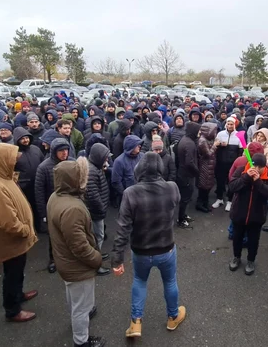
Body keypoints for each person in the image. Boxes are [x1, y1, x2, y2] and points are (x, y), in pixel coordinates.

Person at [110, 152, 185, 338]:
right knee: (170, 281)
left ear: (139, 169)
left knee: (140, 281)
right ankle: (173, 317)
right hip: (166, 247)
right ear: (161, 168)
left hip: (141, 250)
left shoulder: (130, 193)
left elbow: (122, 228)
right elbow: (176, 203)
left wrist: (117, 259)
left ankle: (136, 323)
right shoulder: (172, 187)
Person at [48, 158, 106, 347]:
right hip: (77, 266)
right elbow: (80, 246)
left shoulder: (56, 197)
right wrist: (96, 259)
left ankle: (80, 315)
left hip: (65, 261)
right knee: (81, 306)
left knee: (74, 295)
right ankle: (81, 341)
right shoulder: (72, 208)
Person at [0, 143, 39, 322]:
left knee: (16, 272)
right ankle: (12, 310)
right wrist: (25, 230)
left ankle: (18, 295)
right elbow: (8, 223)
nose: (15, 160)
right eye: (12, 158)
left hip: (13, 241)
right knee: (12, 275)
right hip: (10, 241)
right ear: (2, 160)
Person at [228, 153, 268, 275]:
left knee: (253, 240)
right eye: (254, 166)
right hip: (239, 212)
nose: (256, 169)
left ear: (264, 167)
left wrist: (258, 182)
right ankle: (236, 257)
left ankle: (251, 260)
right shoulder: (241, 170)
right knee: (237, 238)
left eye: (260, 167)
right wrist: (246, 178)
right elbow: (232, 187)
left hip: (257, 215)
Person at [35, 138, 72, 273]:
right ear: (54, 151)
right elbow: (39, 192)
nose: (64, 153)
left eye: (66, 150)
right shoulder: (44, 167)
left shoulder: (72, 163)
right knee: (54, 237)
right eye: (61, 151)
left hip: (70, 206)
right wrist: (43, 214)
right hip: (53, 208)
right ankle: (53, 259)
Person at [84, 143, 111, 276]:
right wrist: (101, 208)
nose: (107, 160)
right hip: (95, 212)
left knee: (97, 236)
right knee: (97, 237)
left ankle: (98, 255)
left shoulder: (95, 167)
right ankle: (96, 263)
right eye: (105, 158)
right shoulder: (92, 171)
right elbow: (93, 196)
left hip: (97, 211)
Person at [175, 122, 200, 229]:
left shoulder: (184, 139)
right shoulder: (190, 143)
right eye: (198, 130)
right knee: (185, 198)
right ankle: (180, 219)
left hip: (182, 172)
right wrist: (197, 171)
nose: (199, 133)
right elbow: (189, 162)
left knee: (185, 197)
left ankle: (183, 215)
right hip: (187, 175)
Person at [214, 118, 242, 211]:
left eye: (232, 124)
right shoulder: (220, 134)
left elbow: (242, 150)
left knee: (231, 182)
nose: (230, 126)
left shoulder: (239, 135)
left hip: (233, 164)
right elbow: (214, 145)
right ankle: (219, 199)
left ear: (235, 125)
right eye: (228, 124)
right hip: (221, 162)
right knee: (220, 181)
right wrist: (219, 144)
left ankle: (230, 201)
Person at [112, 135, 143, 201]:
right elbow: (116, 181)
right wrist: (125, 194)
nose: (139, 146)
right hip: (127, 198)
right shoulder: (119, 161)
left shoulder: (143, 156)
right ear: (131, 147)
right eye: (137, 145)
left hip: (142, 195)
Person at [196, 122, 218, 212]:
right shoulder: (202, 141)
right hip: (204, 166)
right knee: (203, 185)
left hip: (210, 165)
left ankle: (205, 202)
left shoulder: (209, 139)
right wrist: (215, 146)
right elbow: (208, 154)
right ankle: (200, 204)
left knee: (208, 185)